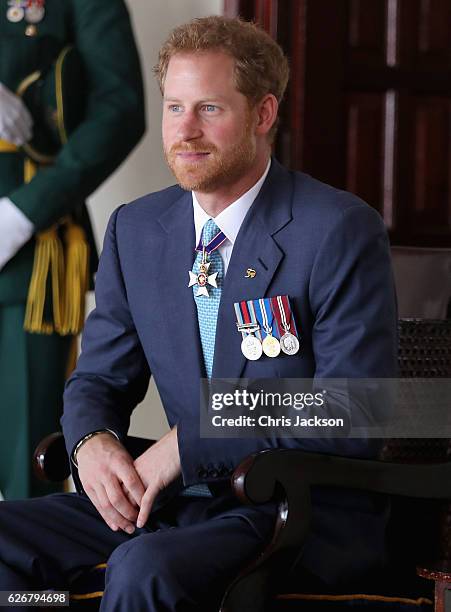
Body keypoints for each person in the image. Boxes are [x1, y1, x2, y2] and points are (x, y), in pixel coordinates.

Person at [0, 15, 397, 611]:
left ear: (263, 115)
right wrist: (93, 443)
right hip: (181, 501)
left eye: (209, 109)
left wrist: (190, 442)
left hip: (299, 508)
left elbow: (352, 406)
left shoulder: (338, 228)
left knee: (145, 568)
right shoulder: (135, 229)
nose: (185, 131)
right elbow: (98, 380)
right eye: (174, 107)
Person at [0, 0, 145, 499]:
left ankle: (26, 585)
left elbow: (120, 109)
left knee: (27, 472)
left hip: (26, 250)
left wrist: (21, 213)